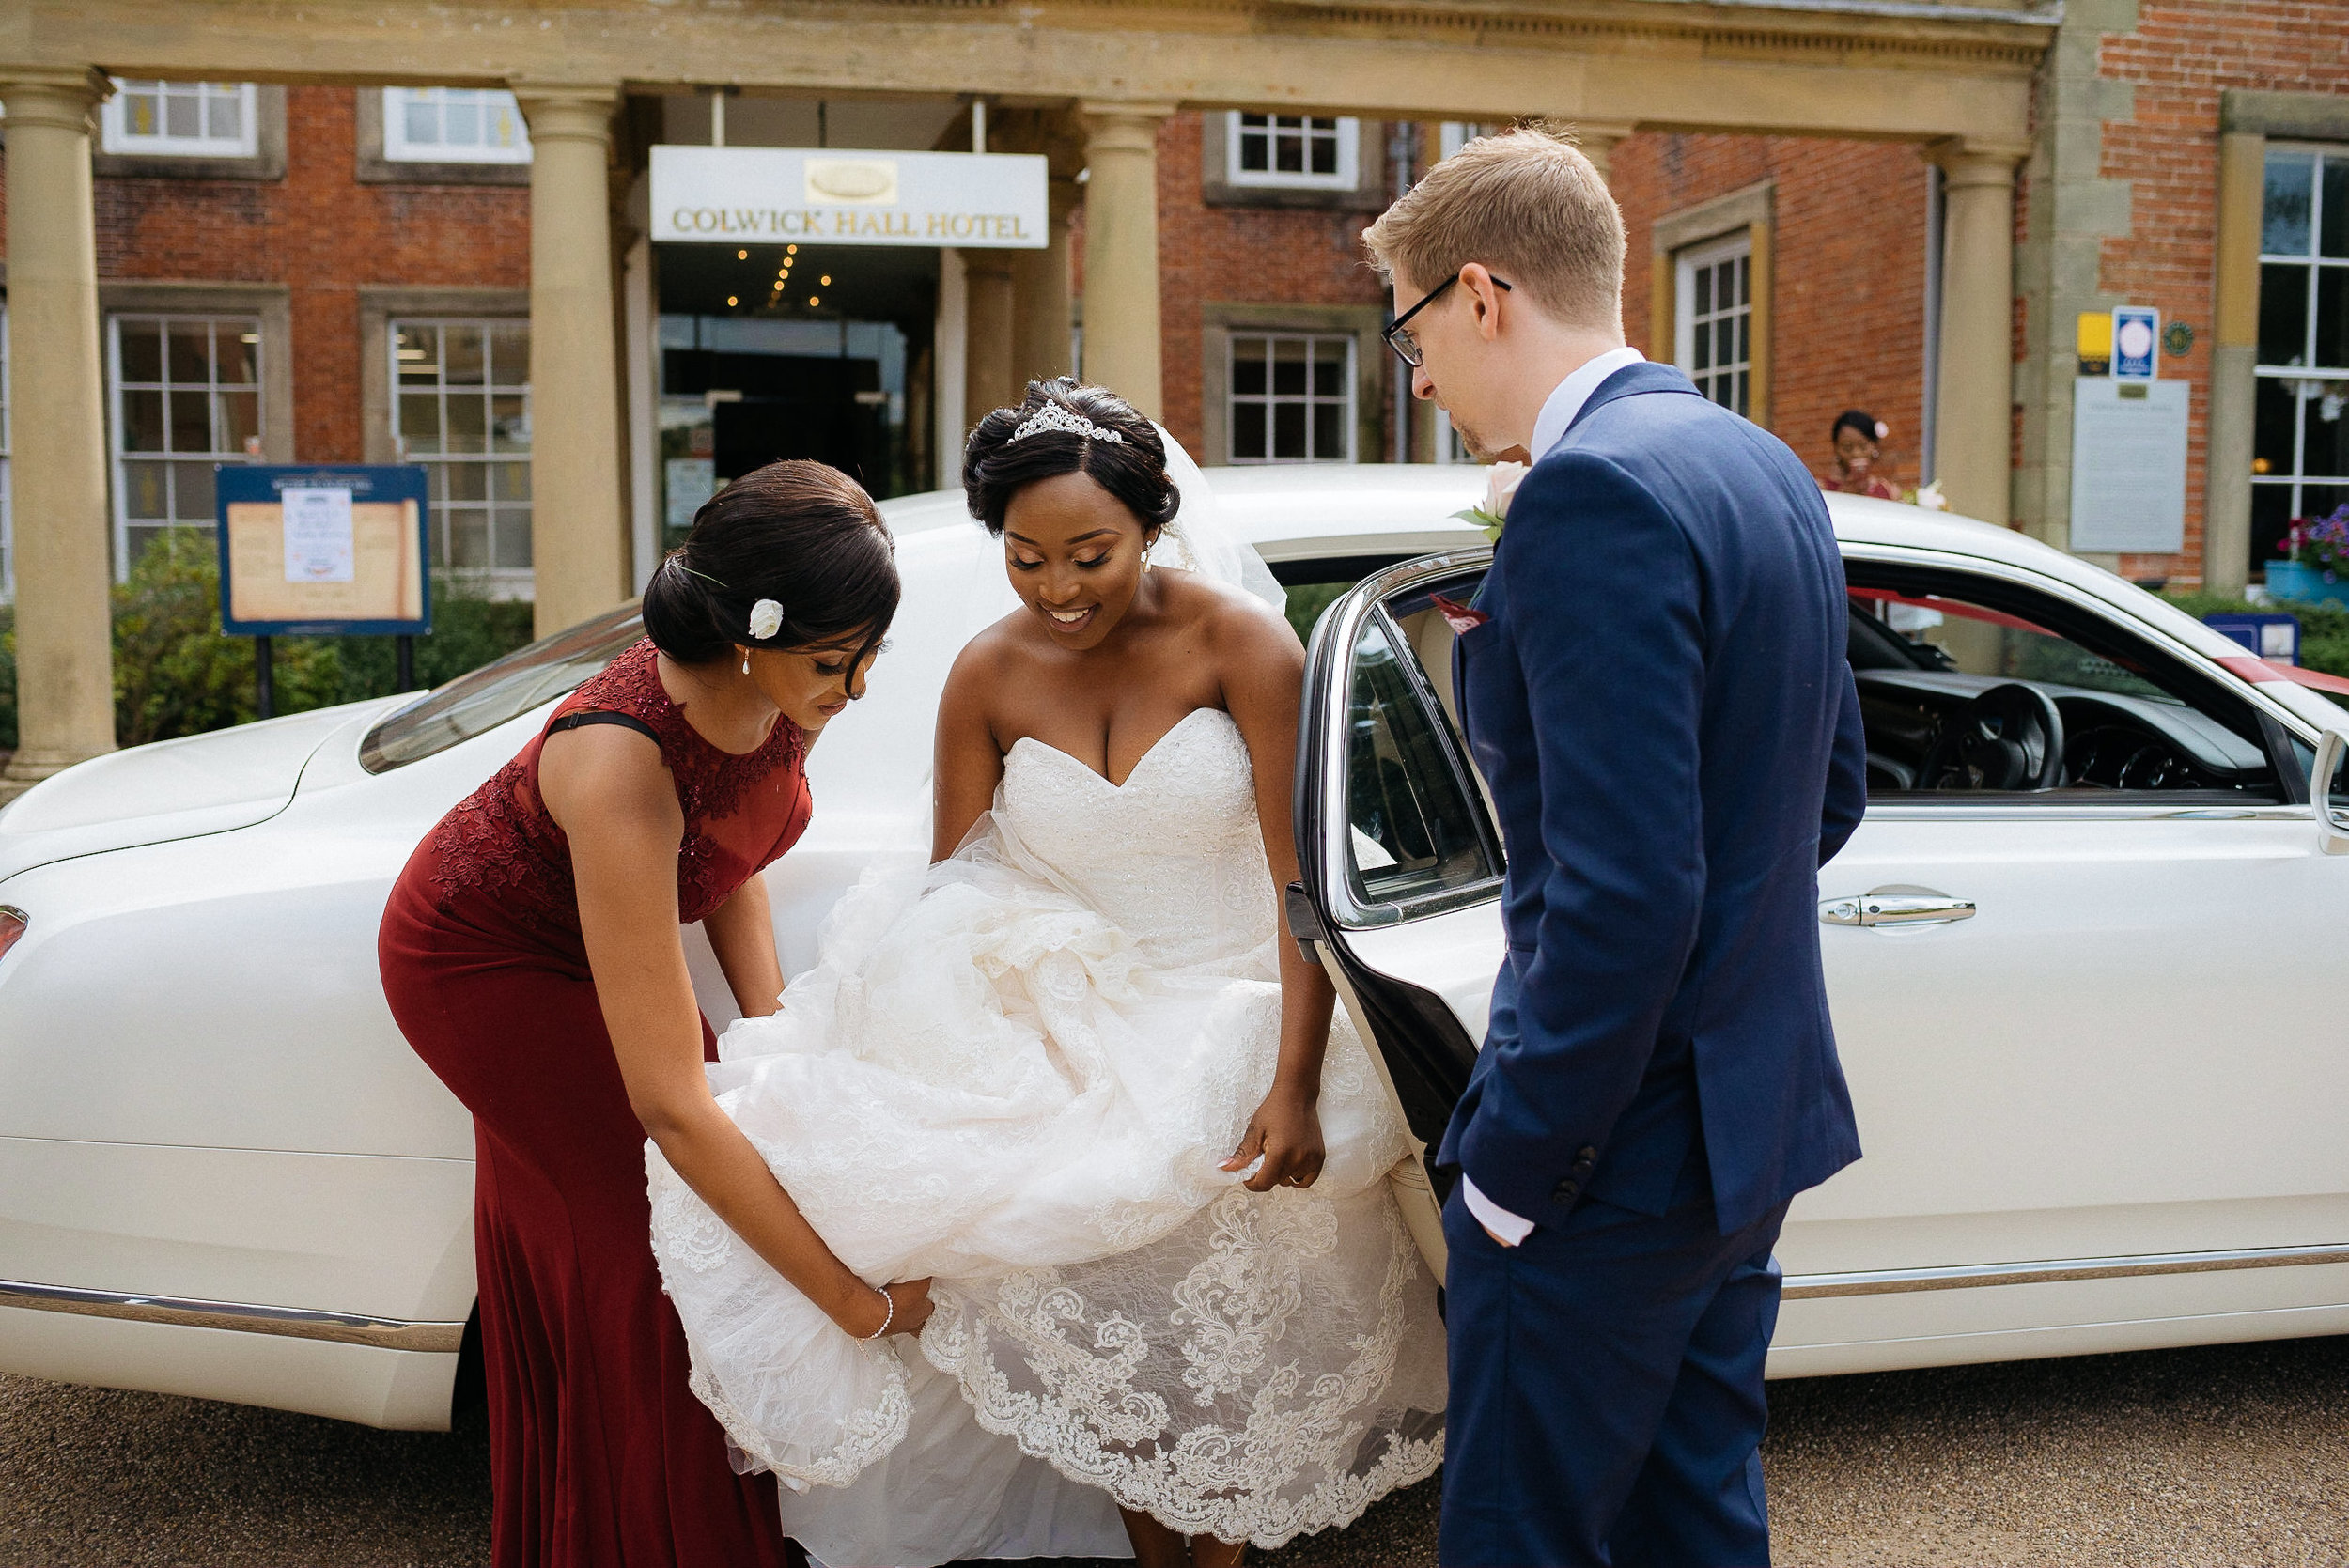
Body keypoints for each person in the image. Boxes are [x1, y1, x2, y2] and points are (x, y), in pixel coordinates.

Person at [647, 380, 1447, 1568]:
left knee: (1222, 1392)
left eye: (1091, 554)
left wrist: (1289, 1079)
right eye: (1026, 558)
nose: (1060, 588)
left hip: (1248, 1026)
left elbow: (1303, 886)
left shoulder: (1241, 643)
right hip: (1086, 1042)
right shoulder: (987, 673)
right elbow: (955, 895)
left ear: (1152, 522)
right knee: (1122, 1373)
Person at [1361, 125, 1869, 1567]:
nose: (1419, 376)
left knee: (1526, 1532)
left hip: (1606, 1157)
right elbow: (1827, 794)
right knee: (1694, 1517)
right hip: (1742, 1129)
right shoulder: (1756, 459)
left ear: (1480, 294)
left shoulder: (1588, 497)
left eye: (1412, 334)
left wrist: (1515, 1169)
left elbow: (1622, 894)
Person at [378, 461, 922, 1568]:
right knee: (665, 1244)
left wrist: (774, 1047)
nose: (856, 688)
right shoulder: (618, 761)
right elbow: (672, 1109)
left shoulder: (779, 686)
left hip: (595, 931)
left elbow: (728, 851)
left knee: (680, 1188)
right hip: (483, 961)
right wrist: (854, 1305)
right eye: (835, 661)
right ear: (744, 632)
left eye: (870, 654)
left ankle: (578, 1523)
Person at [1822, 409, 1899, 499]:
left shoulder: (1888, 491)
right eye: (1847, 448)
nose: (1856, 454)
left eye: (1863, 447)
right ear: (1836, 448)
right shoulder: (1823, 490)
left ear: (1874, 446)